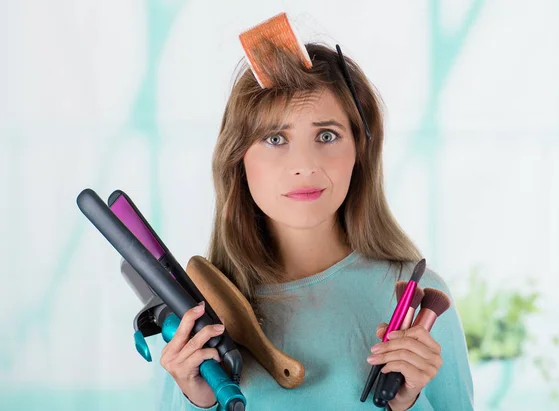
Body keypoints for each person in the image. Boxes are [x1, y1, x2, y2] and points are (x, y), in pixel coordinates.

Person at [157, 42, 474, 410]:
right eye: (275, 138)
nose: (304, 165)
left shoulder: (419, 306)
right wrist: (197, 402)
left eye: (326, 136)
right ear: (237, 158)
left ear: (360, 152)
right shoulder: (199, 314)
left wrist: (408, 402)